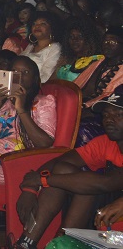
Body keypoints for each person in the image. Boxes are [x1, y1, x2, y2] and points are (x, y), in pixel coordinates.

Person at [12, 84, 123, 248]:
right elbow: (61, 161)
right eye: (106, 114)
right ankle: (27, 243)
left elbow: (107, 182)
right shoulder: (107, 143)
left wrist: (42, 181)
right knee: (66, 171)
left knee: (87, 183)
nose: (108, 120)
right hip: (105, 214)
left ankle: (62, 241)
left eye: (119, 114)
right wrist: (30, 187)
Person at [0, 56, 57, 247]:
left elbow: (45, 142)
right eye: (15, 72)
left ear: (36, 79)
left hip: (13, 164)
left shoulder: (43, 102)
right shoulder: (4, 101)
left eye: (25, 72)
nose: (19, 77)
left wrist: (22, 109)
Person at [20, 12, 63, 83]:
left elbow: (46, 76)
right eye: (34, 24)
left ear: (52, 28)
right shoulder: (31, 46)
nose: (37, 26)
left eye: (43, 24)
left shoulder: (55, 48)